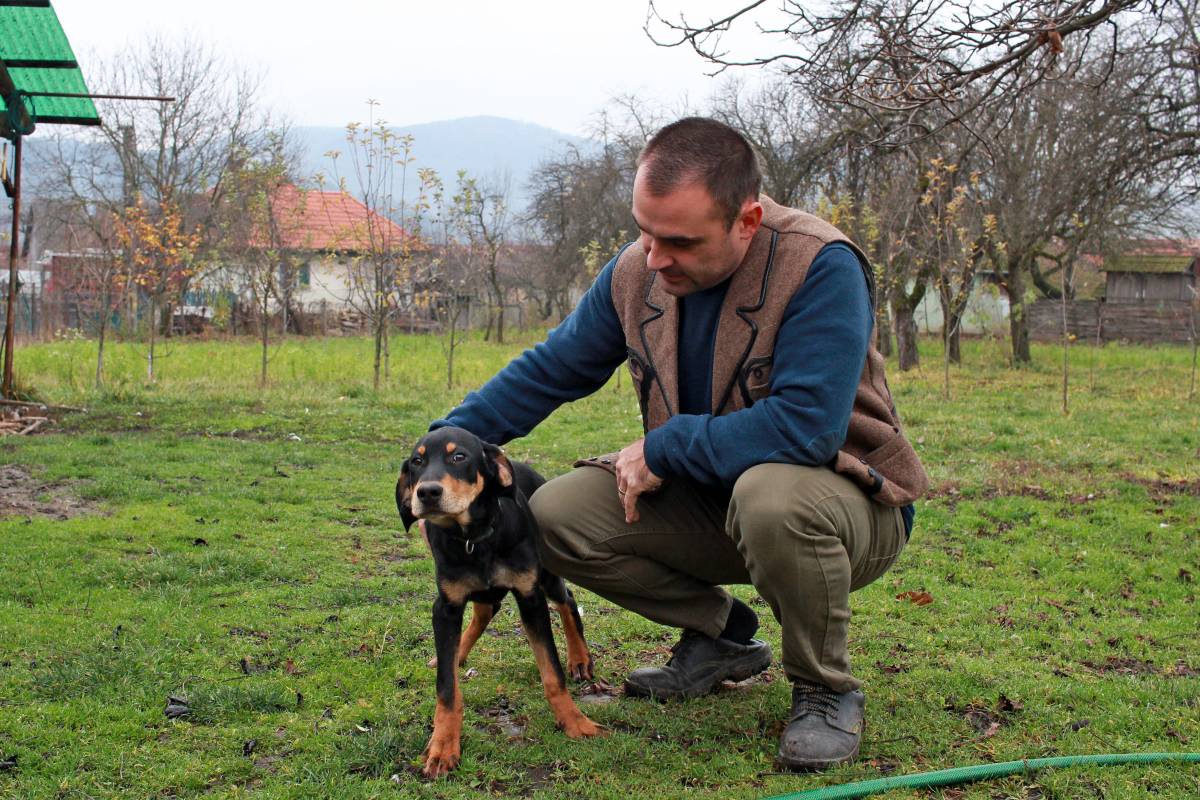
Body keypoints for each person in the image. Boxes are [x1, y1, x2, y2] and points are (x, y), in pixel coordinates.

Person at [431, 117, 927, 770]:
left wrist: (664, 448)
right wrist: (444, 441)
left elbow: (806, 427)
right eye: (645, 231)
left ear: (747, 221)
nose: (655, 257)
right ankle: (723, 636)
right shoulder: (636, 272)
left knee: (771, 497)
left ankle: (824, 688)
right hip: (712, 500)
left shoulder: (819, 266)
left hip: (845, 505)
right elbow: (552, 369)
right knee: (551, 514)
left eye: (680, 242)